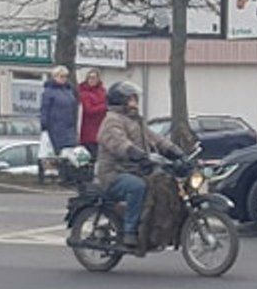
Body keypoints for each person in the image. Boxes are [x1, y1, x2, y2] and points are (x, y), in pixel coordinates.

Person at [95, 81, 182, 248]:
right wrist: (136, 154)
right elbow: (119, 143)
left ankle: (152, 227)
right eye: (131, 100)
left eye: (135, 99)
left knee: (161, 182)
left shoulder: (135, 121)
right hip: (113, 174)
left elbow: (156, 139)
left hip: (132, 169)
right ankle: (130, 231)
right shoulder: (111, 121)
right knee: (138, 187)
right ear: (120, 101)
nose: (135, 103)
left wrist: (175, 152)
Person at [40, 65, 78, 155]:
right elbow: (44, 109)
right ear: (54, 77)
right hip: (55, 129)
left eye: (65, 76)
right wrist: (44, 126)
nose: (63, 79)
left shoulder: (69, 90)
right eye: (61, 76)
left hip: (69, 129)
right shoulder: (49, 92)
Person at [78, 69, 107, 159]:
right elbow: (89, 110)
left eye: (94, 78)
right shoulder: (84, 93)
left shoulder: (103, 92)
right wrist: (104, 106)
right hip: (88, 133)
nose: (92, 80)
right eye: (89, 78)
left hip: (101, 130)